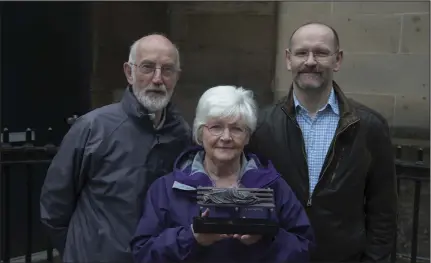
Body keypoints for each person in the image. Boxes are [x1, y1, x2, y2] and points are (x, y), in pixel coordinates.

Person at [247, 22, 397, 262]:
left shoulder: (368, 126)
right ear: (288, 59)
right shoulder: (261, 125)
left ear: (337, 60)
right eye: (301, 53)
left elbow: (383, 210)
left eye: (321, 52)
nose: (310, 61)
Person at [39, 34, 191, 263]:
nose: (158, 79)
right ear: (129, 73)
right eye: (147, 67)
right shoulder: (93, 128)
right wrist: (82, 253)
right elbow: (54, 208)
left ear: (177, 77)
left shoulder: (181, 134)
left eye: (167, 70)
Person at [131, 85, 314, 263]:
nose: (226, 137)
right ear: (200, 133)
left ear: (248, 136)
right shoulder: (167, 189)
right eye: (216, 127)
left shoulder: (272, 185)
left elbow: (304, 247)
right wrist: (191, 238)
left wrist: (265, 239)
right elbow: (143, 253)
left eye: (236, 129)